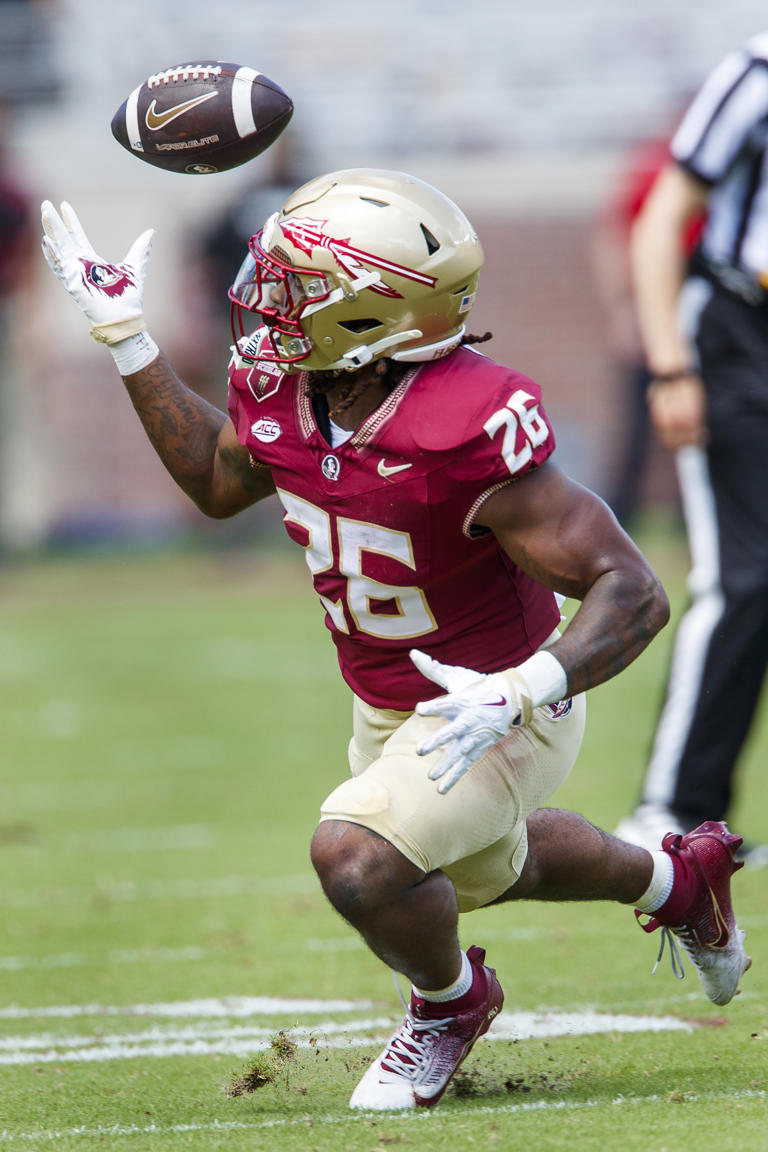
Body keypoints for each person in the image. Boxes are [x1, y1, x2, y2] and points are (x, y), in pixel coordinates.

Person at [40, 168, 750, 1112]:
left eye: (299, 283)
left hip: (501, 701)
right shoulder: (291, 386)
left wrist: (525, 688)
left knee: (359, 856)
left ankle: (450, 1004)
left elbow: (634, 590)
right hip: (387, 703)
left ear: (376, 314)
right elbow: (218, 486)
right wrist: (129, 343)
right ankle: (677, 879)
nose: (269, 298)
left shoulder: (465, 423)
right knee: (489, 866)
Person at [614, 32, 768, 867]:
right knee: (745, 577)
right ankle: (675, 811)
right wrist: (670, 363)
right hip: (742, 337)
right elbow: (664, 214)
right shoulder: (760, 67)